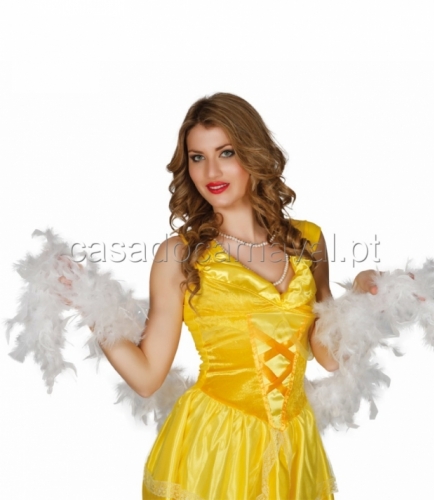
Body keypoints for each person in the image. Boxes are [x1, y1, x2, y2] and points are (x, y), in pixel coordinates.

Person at [73, 93, 380, 500]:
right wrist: (90, 303)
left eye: (226, 153)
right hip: (216, 448)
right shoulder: (180, 256)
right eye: (197, 157)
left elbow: (327, 355)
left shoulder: (307, 241)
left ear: (253, 153)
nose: (211, 171)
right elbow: (147, 378)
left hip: (294, 448)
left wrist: (360, 294)